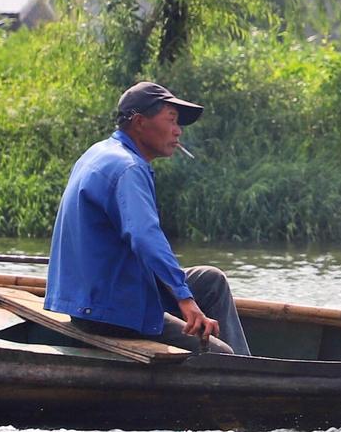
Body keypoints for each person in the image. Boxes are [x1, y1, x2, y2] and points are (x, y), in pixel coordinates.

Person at [44, 81, 251, 355]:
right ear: (140, 122)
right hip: (110, 310)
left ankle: (245, 364)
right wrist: (185, 299)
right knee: (221, 354)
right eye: (172, 120)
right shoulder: (128, 168)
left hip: (95, 297)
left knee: (211, 280)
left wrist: (182, 291)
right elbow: (145, 237)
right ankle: (241, 378)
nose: (178, 131)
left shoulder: (99, 153)